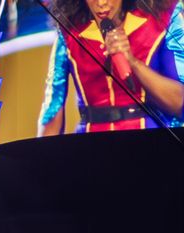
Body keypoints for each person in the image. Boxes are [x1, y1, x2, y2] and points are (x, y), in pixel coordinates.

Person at [36, 0, 184, 136]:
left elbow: (179, 103)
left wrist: (133, 62)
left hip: (149, 142)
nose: (101, 3)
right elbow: (52, 108)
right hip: (90, 147)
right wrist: (42, 153)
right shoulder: (68, 32)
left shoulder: (163, 17)